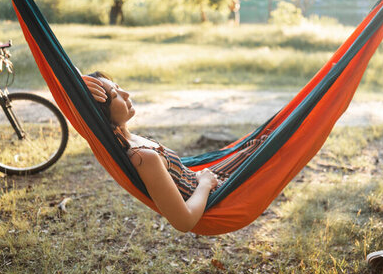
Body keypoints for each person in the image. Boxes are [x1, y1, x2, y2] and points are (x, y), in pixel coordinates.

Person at [81, 72, 266, 232]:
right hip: (214, 194)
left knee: (263, 141)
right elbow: (184, 221)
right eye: (115, 95)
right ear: (102, 113)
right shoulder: (143, 157)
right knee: (273, 147)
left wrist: (80, 79)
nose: (126, 93)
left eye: (118, 87)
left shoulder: (131, 141)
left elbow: (67, 81)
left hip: (208, 177)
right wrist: (205, 183)